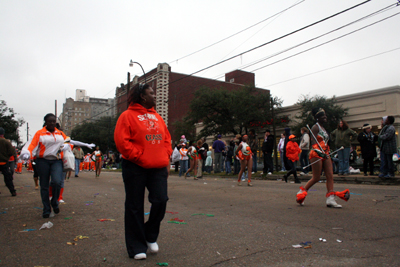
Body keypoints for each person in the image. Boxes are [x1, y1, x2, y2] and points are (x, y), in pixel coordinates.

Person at [114, 83, 172, 260]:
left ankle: (149, 235)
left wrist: (165, 155)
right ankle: (137, 246)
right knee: (134, 206)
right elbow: (122, 142)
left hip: (158, 167)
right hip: (134, 166)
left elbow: (166, 139)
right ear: (142, 97)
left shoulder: (158, 117)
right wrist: (139, 156)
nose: (155, 96)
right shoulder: (127, 116)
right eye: (151, 93)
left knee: (161, 200)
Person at [296, 108, 350, 208]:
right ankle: (301, 193)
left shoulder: (324, 128)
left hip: (326, 153)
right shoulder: (315, 128)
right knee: (316, 177)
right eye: (322, 116)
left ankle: (330, 199)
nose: (325, 117)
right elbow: (313, 142)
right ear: (317, 118)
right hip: (316, 154)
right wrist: (319, 152)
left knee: (330, 175)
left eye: (325, 115)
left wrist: (326, 151)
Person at [20, 114, 66, 218]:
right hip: (42, 161)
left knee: (57, 182)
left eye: (54, 121)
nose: (52, 123)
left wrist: (72, 146)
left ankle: (54, 202)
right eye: (50, 121)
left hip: (56, 161)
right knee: (44, 186)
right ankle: (46, 209)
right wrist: (27, 152)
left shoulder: (60, 133)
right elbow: (31, 145)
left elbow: (68, 141)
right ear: (45, 122)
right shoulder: (39, 133)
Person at [0, 128, 17, 196]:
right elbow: (11, 151)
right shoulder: (6, 142)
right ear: (3, 134)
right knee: (8, 178)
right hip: (4, 162)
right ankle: (12, 191)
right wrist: (7, 157)